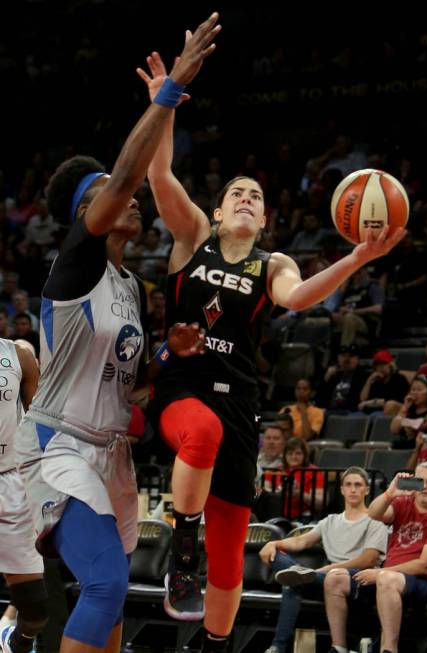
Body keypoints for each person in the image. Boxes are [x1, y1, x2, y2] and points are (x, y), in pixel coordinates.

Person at [140, 50, 404, 653]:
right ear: (216, 208)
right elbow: (159, 177)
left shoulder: (272, 264)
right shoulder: (192, 238)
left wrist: (358, 257)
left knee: (231, 551)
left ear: (263, 220)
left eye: (255, 197)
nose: (245, 199)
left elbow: (303, 298)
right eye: (236, 192)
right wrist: (165, 106)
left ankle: (213, 641)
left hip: (241, 407)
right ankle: (183, 543)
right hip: (183, 392)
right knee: (199, 435)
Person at [13, 14, 221, 653]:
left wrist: (168, 352)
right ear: (86, 212)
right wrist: (167, 97)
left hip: (111, 453)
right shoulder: (74, 263)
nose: (129, 199)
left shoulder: (132, 287)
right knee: (103, 583)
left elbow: (132, 385)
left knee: (113, 594)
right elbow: (133, 175)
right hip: (58, 446)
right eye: (110, 192)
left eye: (122, 191)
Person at [259, 467, 387, 653]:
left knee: (293, 581)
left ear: (366, 490)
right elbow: (301, 541)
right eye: (348, 485)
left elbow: (369, 559)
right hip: (325, 580)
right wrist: (275, 543)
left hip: (356, 580)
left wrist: (331, 568)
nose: (353, 489)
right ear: (342, 489)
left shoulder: (375, 520)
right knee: (290, 575)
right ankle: (277, 646)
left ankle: (278, 645)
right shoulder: (330, 521)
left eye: (358, 485)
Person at [324, 464, 427, 653]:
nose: (425, 486)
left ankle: (389, 649)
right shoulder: (403, 502)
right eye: (421, 481)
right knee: (334, 577)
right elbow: (374, 513)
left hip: (420, 583)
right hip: (387, 575)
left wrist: (381, 572)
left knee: (385, 579)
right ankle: (339, 647)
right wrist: (390, 494)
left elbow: (424, 566)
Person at [0, 337, 48, 653]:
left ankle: (14, 641)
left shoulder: (17, 355)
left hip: (10, 482)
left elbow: (43, 422)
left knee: (35, 611)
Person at [317, 344, 368, 414]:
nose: (347, 359)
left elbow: (360, 401)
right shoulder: (332, 374)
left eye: (351, 356)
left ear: (357, 359)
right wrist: (326, 379)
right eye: (343, 356)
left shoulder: (363, 376)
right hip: (330, 411)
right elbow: (319, 400)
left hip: (349, 412)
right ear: (338, 358)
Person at [358, 350, 409, 414]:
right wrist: (368, 381)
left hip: (389, 411)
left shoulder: (399, 379)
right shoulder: (376, 380)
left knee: (375, 415)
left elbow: (390, 401)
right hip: (370, 411)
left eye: (383, 365)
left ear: (390, 365)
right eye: (377, 365)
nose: (380, 368)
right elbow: (363, 399)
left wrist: (368, 403)